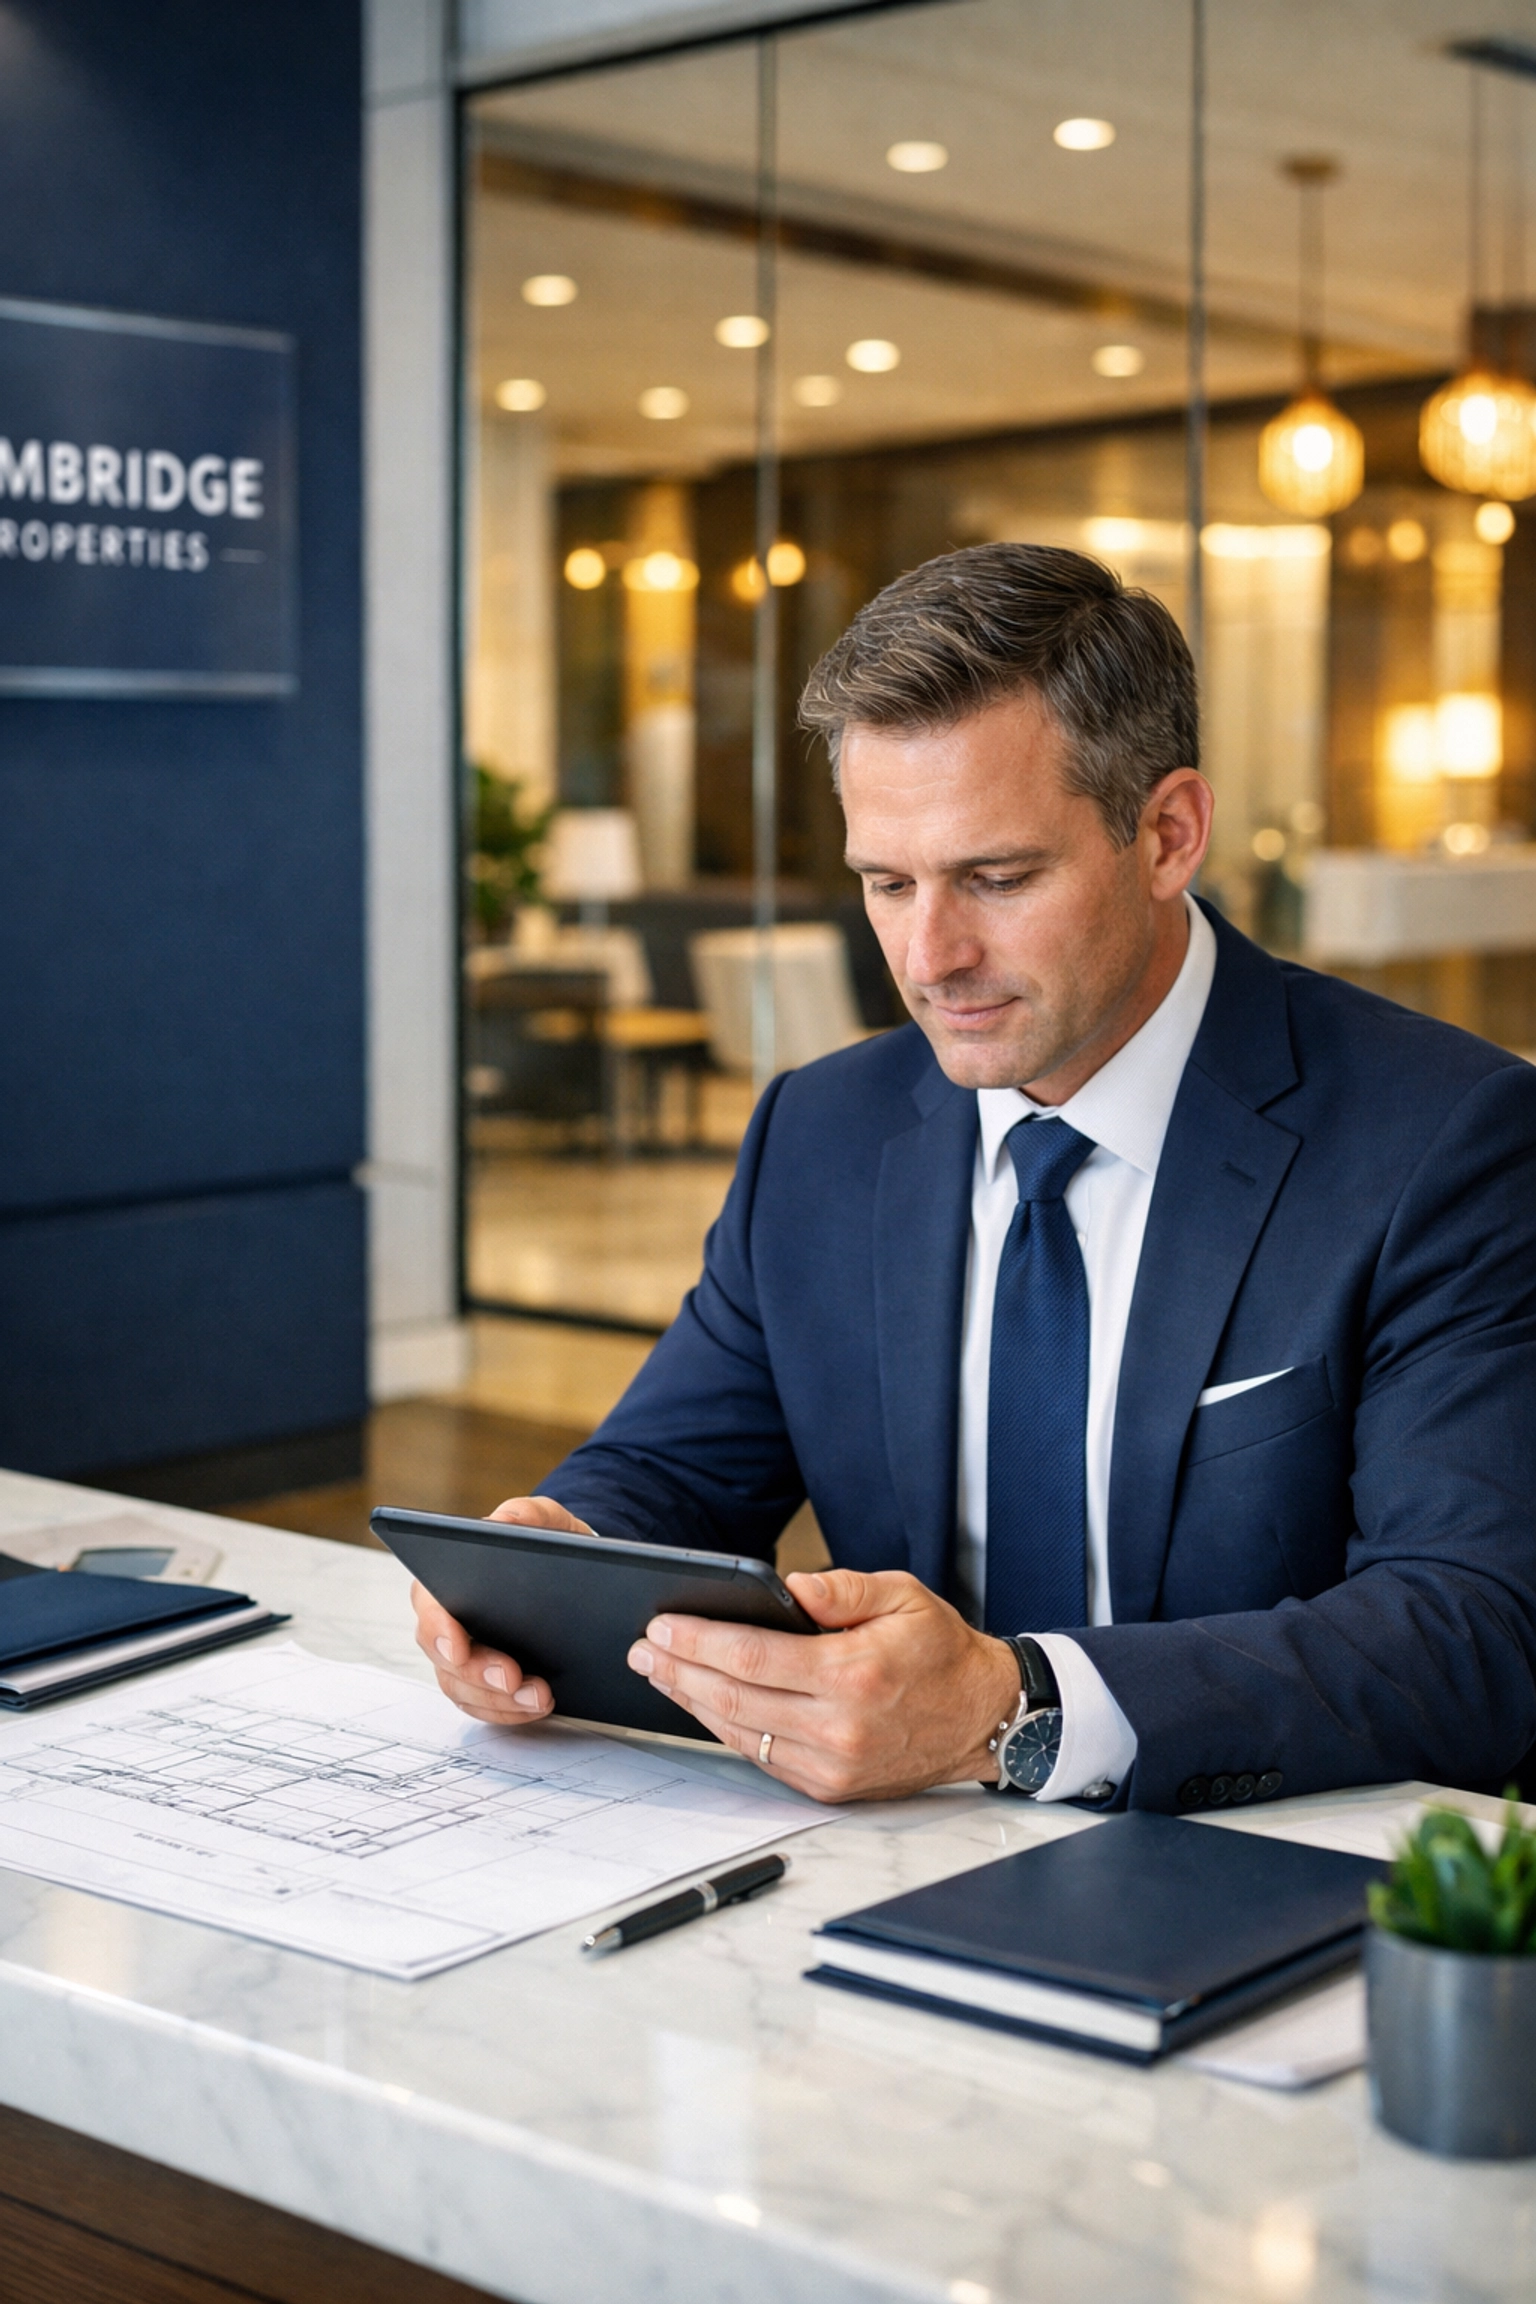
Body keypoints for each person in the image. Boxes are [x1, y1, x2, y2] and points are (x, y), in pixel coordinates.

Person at [415, 543, 1536, 1812]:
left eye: (997, 879)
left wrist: (1017, 1709)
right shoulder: (821, 1132)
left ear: (1169, 834)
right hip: (895, 1848)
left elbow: (1472, 1627)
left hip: (1274, 1850)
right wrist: (546, 1563)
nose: (930, 955)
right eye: (886, 884)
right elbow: (668, 1474)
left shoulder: (1447, 1138)